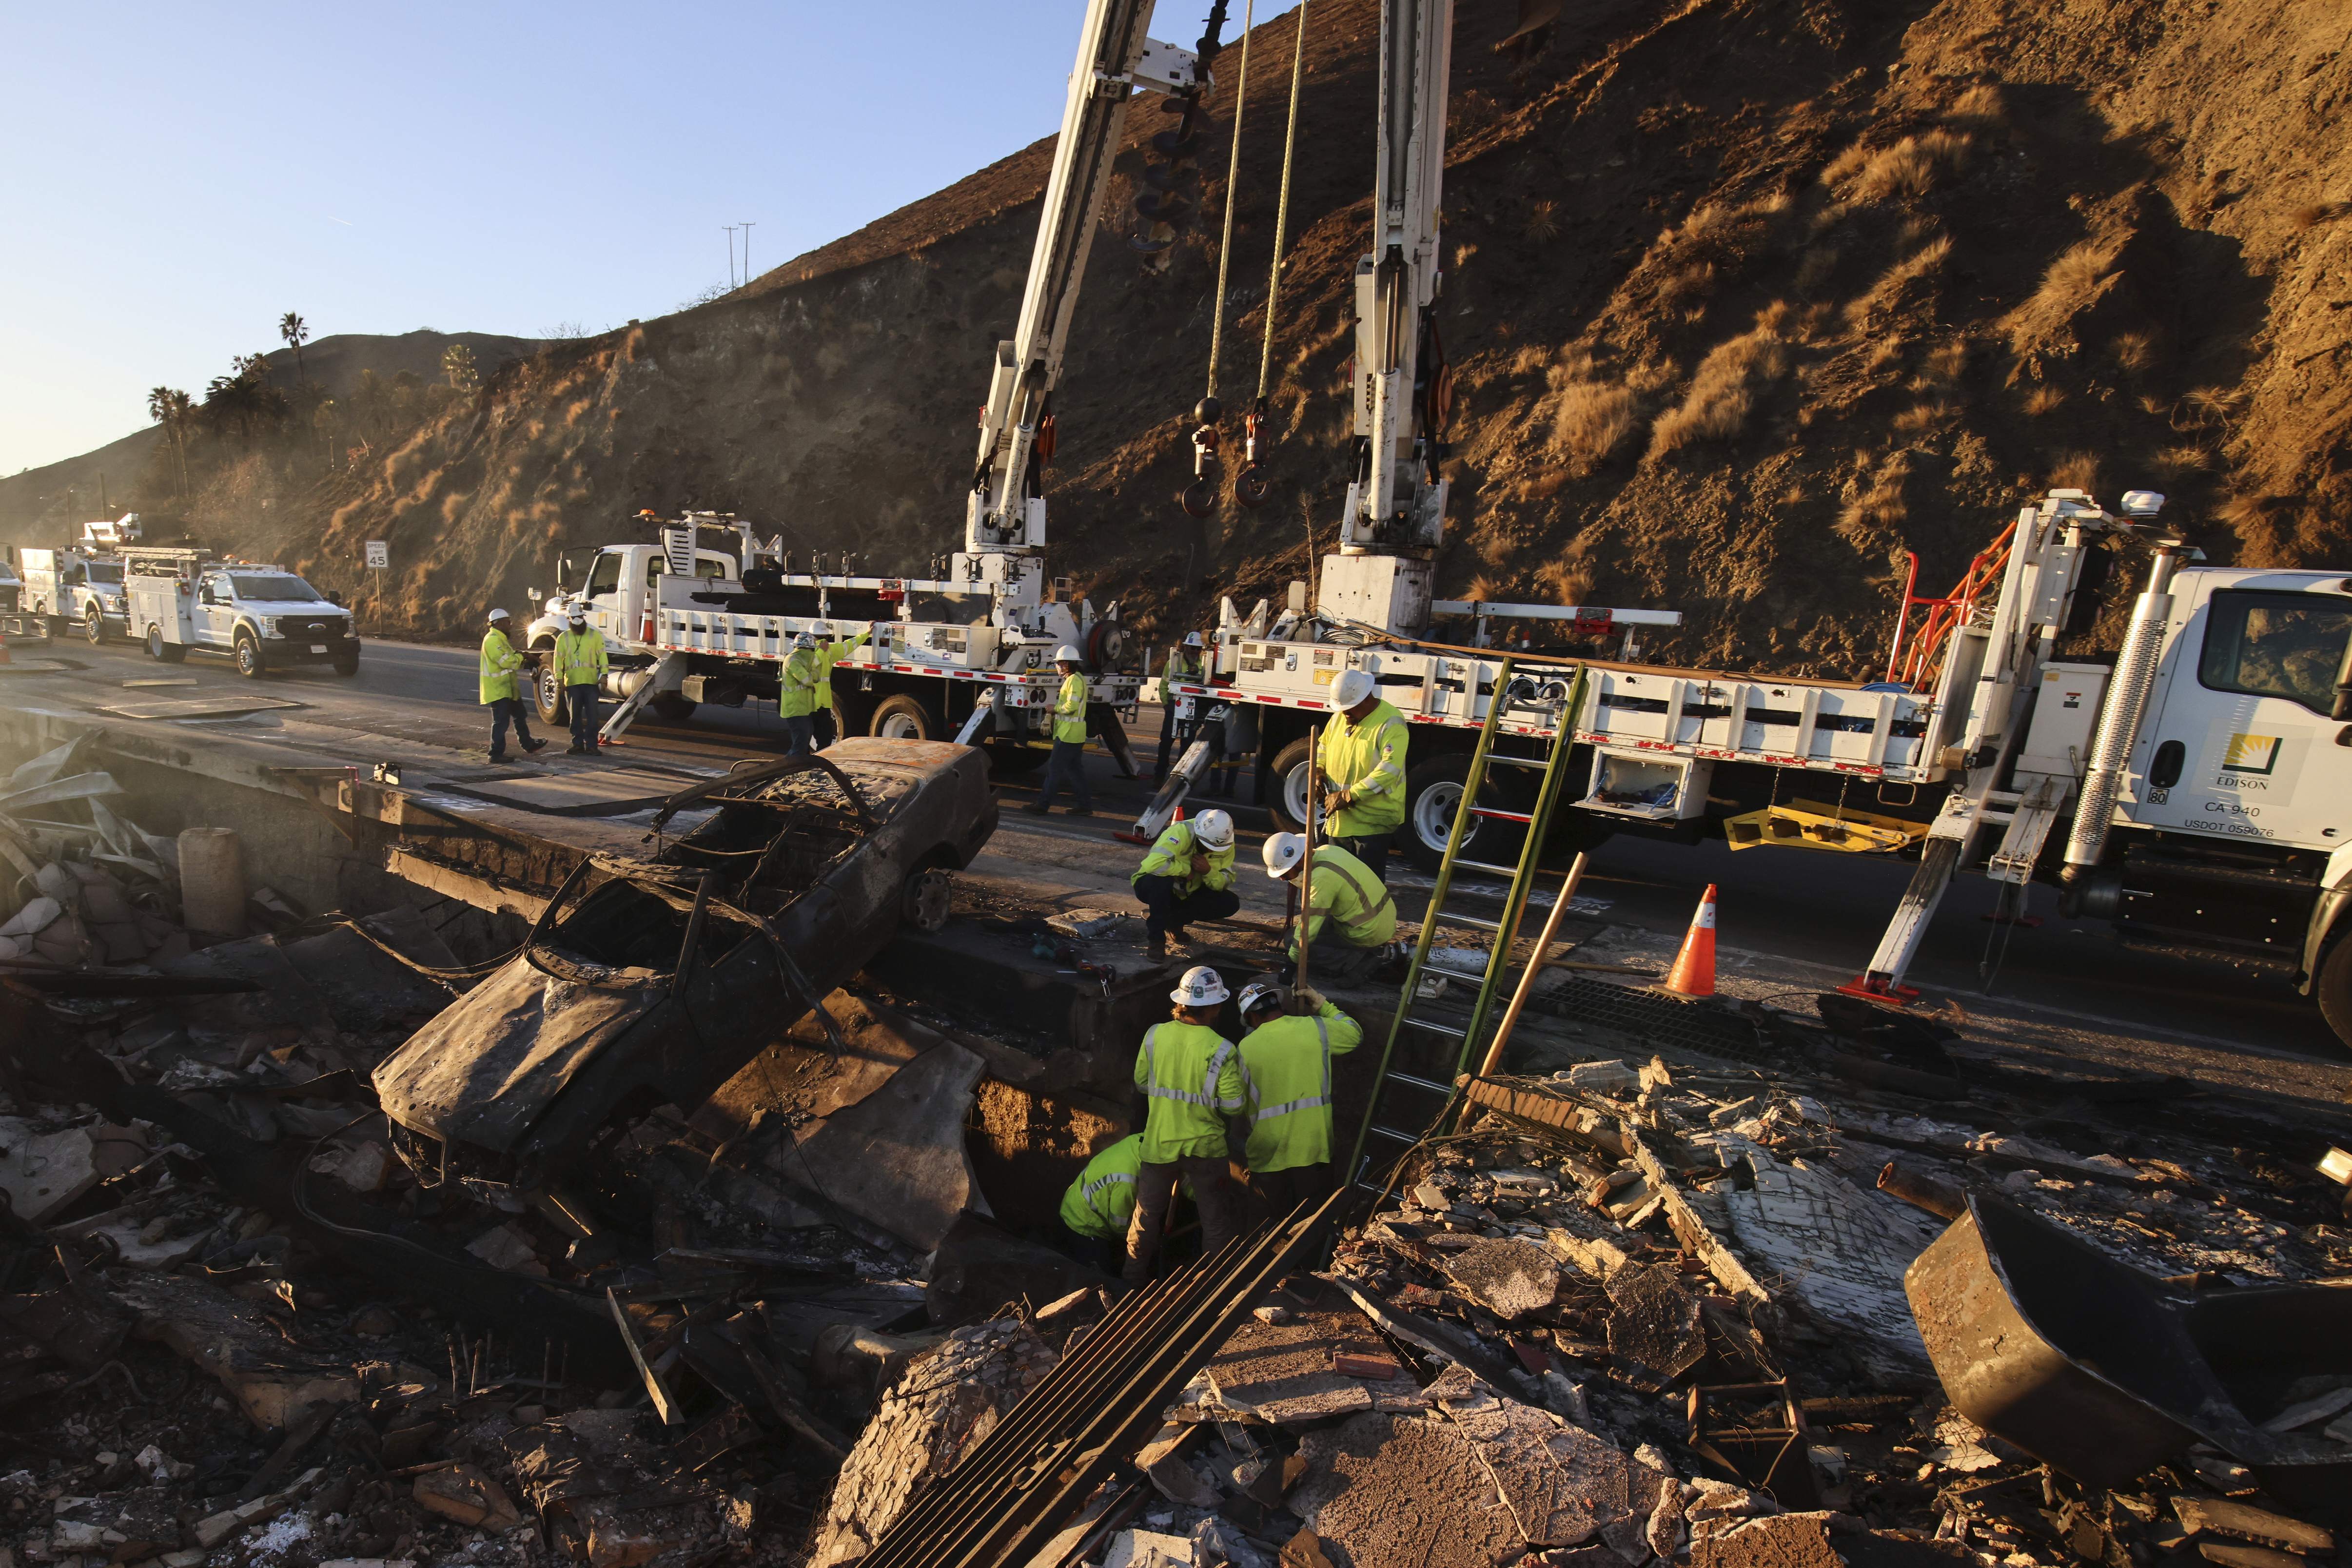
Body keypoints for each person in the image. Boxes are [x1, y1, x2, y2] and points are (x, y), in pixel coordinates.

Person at [1125, 965, 1244, 1286]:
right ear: (1217, 1007)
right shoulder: (1222, 1049)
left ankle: (1130, 1283)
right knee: (1215, 1223)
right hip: (1205, 1148)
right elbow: (1234, 1105)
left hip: (1160, 1143)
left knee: (1146, 1220)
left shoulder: (1154, 1036)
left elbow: (1141, 1084)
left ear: (1182, 1002)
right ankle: (1210, 1289)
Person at [1232, 976, 1364, 1225]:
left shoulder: (1246, 1048)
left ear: (1252, 1018)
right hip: (1314, 1149)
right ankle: (1312, 1264)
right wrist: (1322, 1004)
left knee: (1266, 1229)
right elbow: (1354, 1034)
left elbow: (1238, 1104)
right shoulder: (1316, 1028)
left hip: (1267, 1155)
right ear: (1279, 1006)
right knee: (1312, 1227)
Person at [1262, 832, 1398, 980]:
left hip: (1368, 934)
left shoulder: (1321, 880)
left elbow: (1307, 930)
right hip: (1382, 922)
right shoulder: (1328, 851)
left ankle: (1356, 963)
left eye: (1286, 874)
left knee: (1292, 941)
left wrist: (1291, 965)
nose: (1283, 878)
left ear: (1299, 861)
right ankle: (1357, 954)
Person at [1317, 669, 1409, 883]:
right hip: (1340, 821)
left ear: (1366, 698)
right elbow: (1323, 747)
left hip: (1373, 821)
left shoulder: (1391, 722)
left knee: (1367, 886)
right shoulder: (1338, 719)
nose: (1345, 714)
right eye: (1342, 709)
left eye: (1350, 708)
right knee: (1337, 885)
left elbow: (1389, 770)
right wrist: (1318, 772)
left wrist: (1349, 796)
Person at [1057, 1132, 1188, 1277]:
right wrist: (1147, 1242)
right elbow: (1120, 1224)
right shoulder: (1128, 1180)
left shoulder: (1144, 1141)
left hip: (1092, 1202)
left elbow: (1183, 1173)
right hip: (1083, 1222)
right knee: (1102, 1280)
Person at [1131, 808, 1238, 961]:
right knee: (1161, 880)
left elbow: (1225, 882)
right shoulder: (1181, 832)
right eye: (1207, 845)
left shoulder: (1226, 843)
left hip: (1189, 891)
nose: (1210, 850)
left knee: (1230, 903)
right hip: (1154, 887)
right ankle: (1156, 940)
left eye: (1214, 848)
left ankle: (1175, 920)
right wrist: (1185, 870)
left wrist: (1208, 871)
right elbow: (1153, 865)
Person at [1023, 645, 1093, 818]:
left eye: (1061, 664)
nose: (1058, 667)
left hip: (1068, 734)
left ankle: (1043, 804)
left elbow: (1071, 706)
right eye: (1058, 664)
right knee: (1076, 770)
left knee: (1054, 770)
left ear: (1069, 664)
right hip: (1074, 734)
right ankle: (1085, 806)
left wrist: (1054, 709)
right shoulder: (1078, 679)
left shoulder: (1073, 681)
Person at [479, 609, 546, 763]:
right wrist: (523, 656)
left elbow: (511, 658)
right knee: (501, 722)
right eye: (508, 623)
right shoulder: (492, 640)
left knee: (520, 716)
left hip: (509, 690)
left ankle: (528, 745)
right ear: (500, 623)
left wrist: (524, 659)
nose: (510, 626)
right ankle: (495, 754)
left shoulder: (501, 640)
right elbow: (507, 661)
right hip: (499, 690)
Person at [1154, 632, 1208, 784]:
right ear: (1186, 647)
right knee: (1166, 742)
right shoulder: (1173, 662)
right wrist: (1166, 705)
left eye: (1198, 649)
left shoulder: (1204, 664)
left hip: (1192, 708)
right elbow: (1164, 686)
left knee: (1187, 745)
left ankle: (1177, 779)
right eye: (1193, 648)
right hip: (1173, 707)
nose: (1196, 651)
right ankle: (1159, 775)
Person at [554, 610, 608, 754]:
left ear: (584, 618)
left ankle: (592, 745)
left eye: (579, 617)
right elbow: (558, 660)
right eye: (575, 618)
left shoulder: (594, 635)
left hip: (591, 682)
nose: (578, 620)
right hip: (572, 682)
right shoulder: (563, 638)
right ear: (569, 619)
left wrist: (604, 675)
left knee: (593, 715)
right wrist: (559, 679)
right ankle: (577, 744)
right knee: (575, 715)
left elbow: (602, 655)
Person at [812, 621, 872, 749]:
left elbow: (809, 666)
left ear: (812, 636)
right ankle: (819, 766)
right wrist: (867, 633)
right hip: (824, 703)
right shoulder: (829, 651)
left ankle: (802, 767)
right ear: (827, 637)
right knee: (825, 740)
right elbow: (849, 645)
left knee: (804, 740)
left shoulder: (805, 652)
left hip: (809, 704)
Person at [779, 632, 821, 756]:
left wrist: (811, 674)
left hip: (804, 708)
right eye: (812, 650)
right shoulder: (793, 661)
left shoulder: (804, 661)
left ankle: (794, 768)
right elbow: (808, 680)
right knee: (800, 744)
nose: (813, 653)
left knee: (804, 740)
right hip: (795, 708)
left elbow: (817, 677)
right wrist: (811, 675)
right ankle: (786, 769)